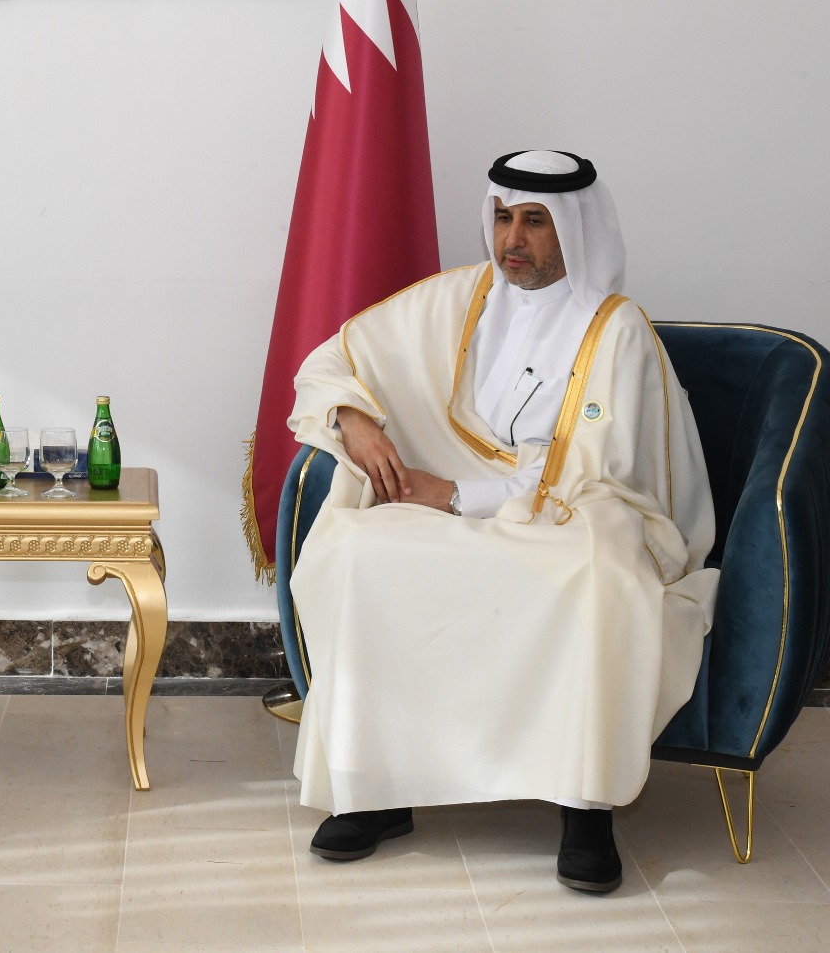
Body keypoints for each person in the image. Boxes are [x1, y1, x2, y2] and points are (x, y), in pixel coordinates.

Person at [283, 150, 719, 893]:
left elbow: (598, 472)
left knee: (598, 570)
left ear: (574, 230)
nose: (512, 239)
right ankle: (375, 791)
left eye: (535, 221)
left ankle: (585, 806)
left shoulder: (616, 330)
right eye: (503, 217)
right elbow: (330, 361)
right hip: (461, 499)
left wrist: (457, 495)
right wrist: (354, 420)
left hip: (575, 512)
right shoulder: (459, 300)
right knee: (357, 550)